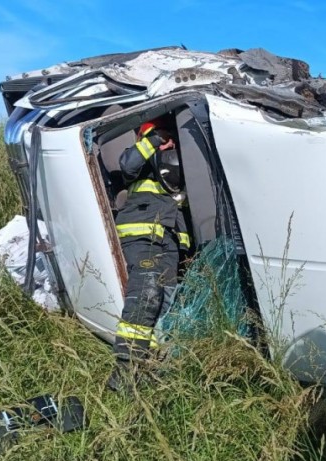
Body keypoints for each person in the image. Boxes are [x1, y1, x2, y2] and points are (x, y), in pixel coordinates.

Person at [107, 118, 192, 391]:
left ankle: (149, 369)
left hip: (166, 245)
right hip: (142, 238)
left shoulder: (174, 179)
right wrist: (155, 140)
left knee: (164, 305)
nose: (169, 143)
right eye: (162, 137)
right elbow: (127, 162)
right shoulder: (139, 166)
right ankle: (125, 372)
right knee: (146, 295)